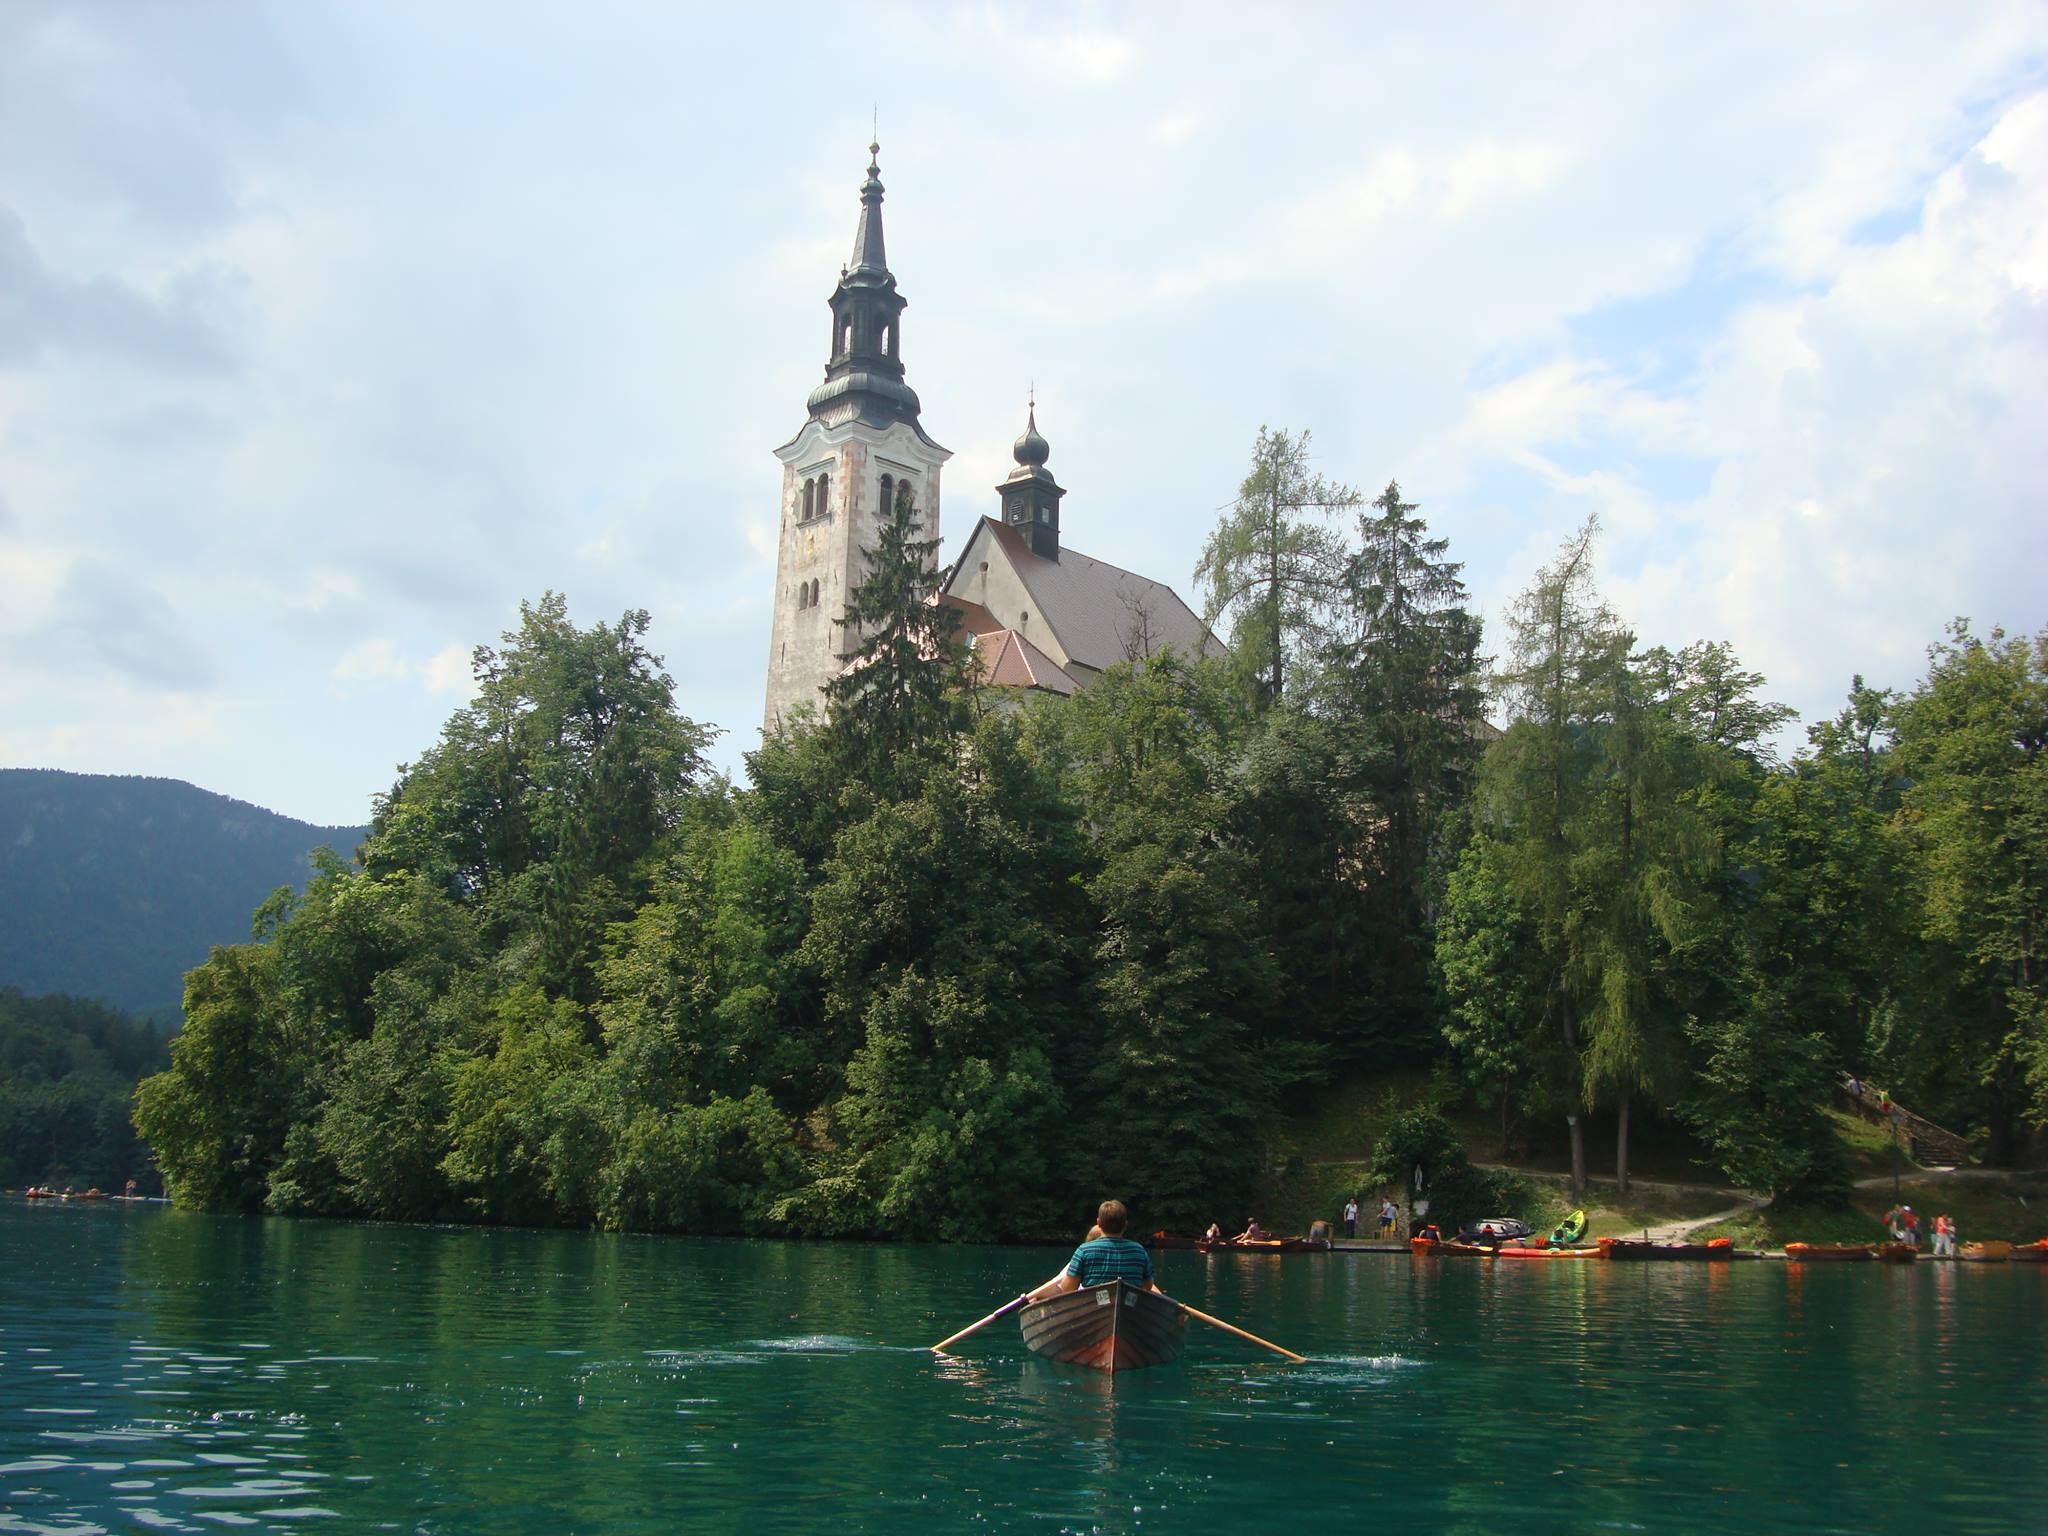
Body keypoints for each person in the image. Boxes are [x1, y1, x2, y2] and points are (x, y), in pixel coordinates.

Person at [1025, 1200, 1162, 1302]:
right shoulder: (1139, 1250)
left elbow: (1068, 1289)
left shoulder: (1084, 1251)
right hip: (1129, 1305)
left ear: (1099, 1223)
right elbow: (1147, 1286)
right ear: (1125, 1224)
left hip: (1093, 1303)